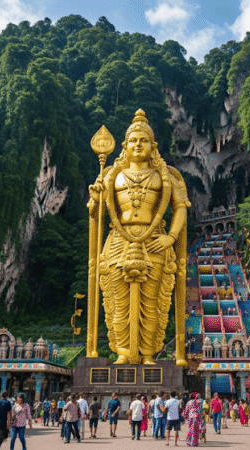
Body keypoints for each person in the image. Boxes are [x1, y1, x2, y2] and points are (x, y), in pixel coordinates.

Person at [87, 109, 190, 366]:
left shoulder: (165, 176)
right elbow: (97, 214)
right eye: (133, 140)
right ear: (125, 145)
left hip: (154, 240)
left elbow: (180, 207)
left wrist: (171, 237)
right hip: (118, 240)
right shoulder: (110, 175)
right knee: (119, 301)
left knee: (151, 302)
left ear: (153, 146)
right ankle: (123, 351)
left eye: (144, 140)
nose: (138, 144)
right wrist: (96, 199)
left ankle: (147, 353)